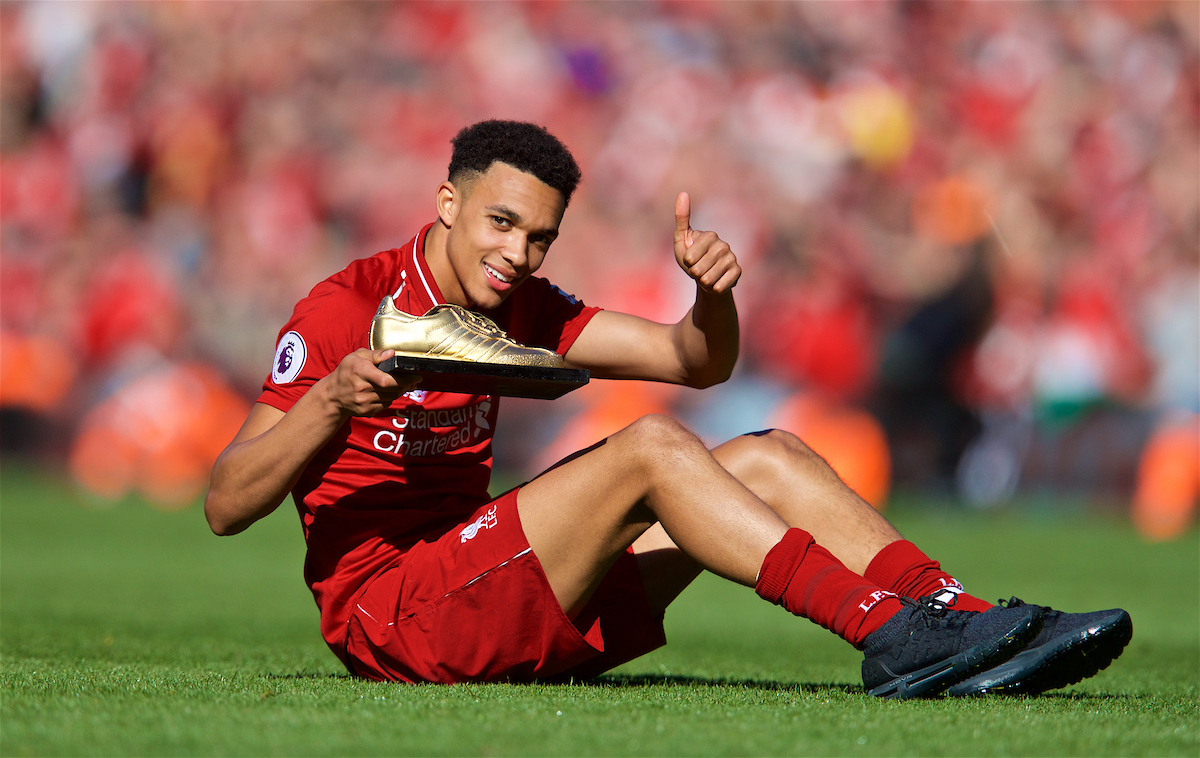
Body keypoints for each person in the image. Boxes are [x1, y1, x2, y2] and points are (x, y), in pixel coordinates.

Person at [205, 120, 1130, 698]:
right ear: (448, 202)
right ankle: (886, 631)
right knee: (647, 447)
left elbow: (695, 362)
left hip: (488, 587)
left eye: (540, 236)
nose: (519, 254)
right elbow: (225, 505)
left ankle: (960, 617)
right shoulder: (343, 309)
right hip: (393, 620)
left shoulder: (520, 303)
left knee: (771, 452)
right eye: (501, 223)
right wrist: (329, 400)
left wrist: (714, 295)